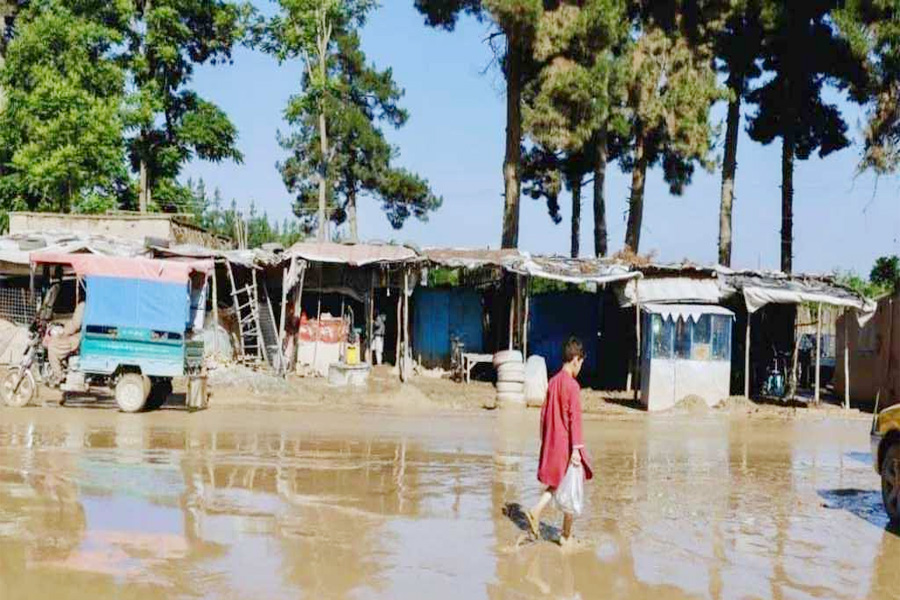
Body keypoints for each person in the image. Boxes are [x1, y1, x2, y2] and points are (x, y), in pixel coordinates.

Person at [526, 336, 593, 547]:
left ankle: (556, 527)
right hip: (566, 444)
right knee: (571, 486)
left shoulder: (553, 382)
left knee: (557, 484)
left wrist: (544, 439)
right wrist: (576, 449)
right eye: (581, 362)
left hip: (553, 440)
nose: (581, 367)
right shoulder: (572, 386)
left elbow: (544, 414)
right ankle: (563, 533)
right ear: (575, 360)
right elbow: (575, 420)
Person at [47, 300, 85, 385]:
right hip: (81, 334)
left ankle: (59, 375)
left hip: (78, 337)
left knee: (52, 346)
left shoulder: (83, 305)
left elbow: (75, 324)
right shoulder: (89, 304)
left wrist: (63, 332)